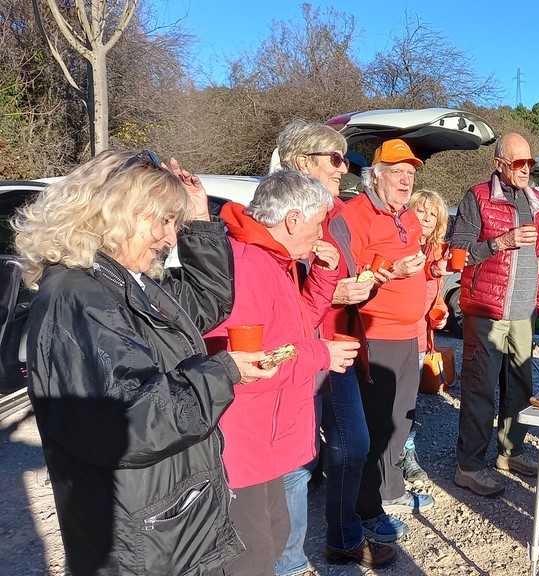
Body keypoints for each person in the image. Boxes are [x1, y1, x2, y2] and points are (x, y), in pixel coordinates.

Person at [14, 150, 275, 575]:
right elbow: (134, 420)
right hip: (141, 538)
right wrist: (223, 373)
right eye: (163, 221)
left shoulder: (119, 278)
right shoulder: (81, 298)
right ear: (117, 212)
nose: (171, 238)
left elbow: (204, 305)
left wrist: (200, 220)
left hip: (164, 520)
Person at [205, 169, 360, 576]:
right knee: (249, 557)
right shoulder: (247, 265)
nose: (320, 234)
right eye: (317, 223)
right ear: (293, 220)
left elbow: (295, 325)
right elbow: (249, 364)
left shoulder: (273, 259)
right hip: (244, 441)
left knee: (274, 538)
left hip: (266, 438)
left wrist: (323, 275)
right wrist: (320, 353)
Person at [274, 120, 395, 569]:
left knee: (353, 444)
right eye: (336, 158)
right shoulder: (277, 212)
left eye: (345, 159)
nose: (344, 168)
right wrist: (333, 291)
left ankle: (343, 538)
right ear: (301, 161)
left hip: (337, 347)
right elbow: (272, 289)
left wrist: (365, 283)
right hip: (295, 351)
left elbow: (341, 274)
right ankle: (288, 563)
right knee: (297, 463)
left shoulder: (335, 214)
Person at [450, 132, 539, 497]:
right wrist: (500, 243)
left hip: (524, 311)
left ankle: (510, 452)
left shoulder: (535, 198)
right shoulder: (477, 197)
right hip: (487, 310)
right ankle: (469, 467)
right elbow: (458, 252)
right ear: (499, 164)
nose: (526, 169)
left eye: (530, 162)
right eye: (519, 163)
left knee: (520, 387)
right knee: (480, 388)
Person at [343, 139, 435, 542]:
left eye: (410, 173)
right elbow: (345, 279)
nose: (405, 180)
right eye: (396, 172)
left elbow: (413, 265)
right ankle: (366, 509)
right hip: (375, 333)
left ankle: (391, 490)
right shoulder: (356, 215)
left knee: (401, 420)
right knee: (374, 425)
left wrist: (429, 272)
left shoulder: (407, 216)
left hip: (408, 333)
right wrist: (391, 273)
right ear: (375, 176)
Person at [404, 189, 452, 482]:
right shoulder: (400, 244)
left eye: (432, 214)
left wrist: (441, 311)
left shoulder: (437, 250)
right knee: (388, 399)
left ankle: (406, 453)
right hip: (393, 334)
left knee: (409, 400)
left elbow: (435, 295)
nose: (426, 217)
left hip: (421, 335)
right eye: (420, 210)